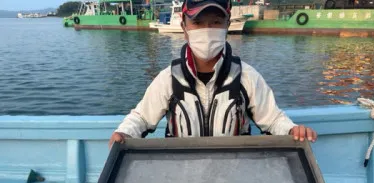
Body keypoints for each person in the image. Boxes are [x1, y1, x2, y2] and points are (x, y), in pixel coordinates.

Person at [108, 0, 317, 148]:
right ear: (184, 26)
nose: (207, 29)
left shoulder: (247, 76)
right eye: (198, 23)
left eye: (216, 22)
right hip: (182, 170)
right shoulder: (168, 79)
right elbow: (142, 118)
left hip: (233, 171)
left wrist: (291, 130)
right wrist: (125, 132)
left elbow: (272, 120)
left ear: (227, 24)